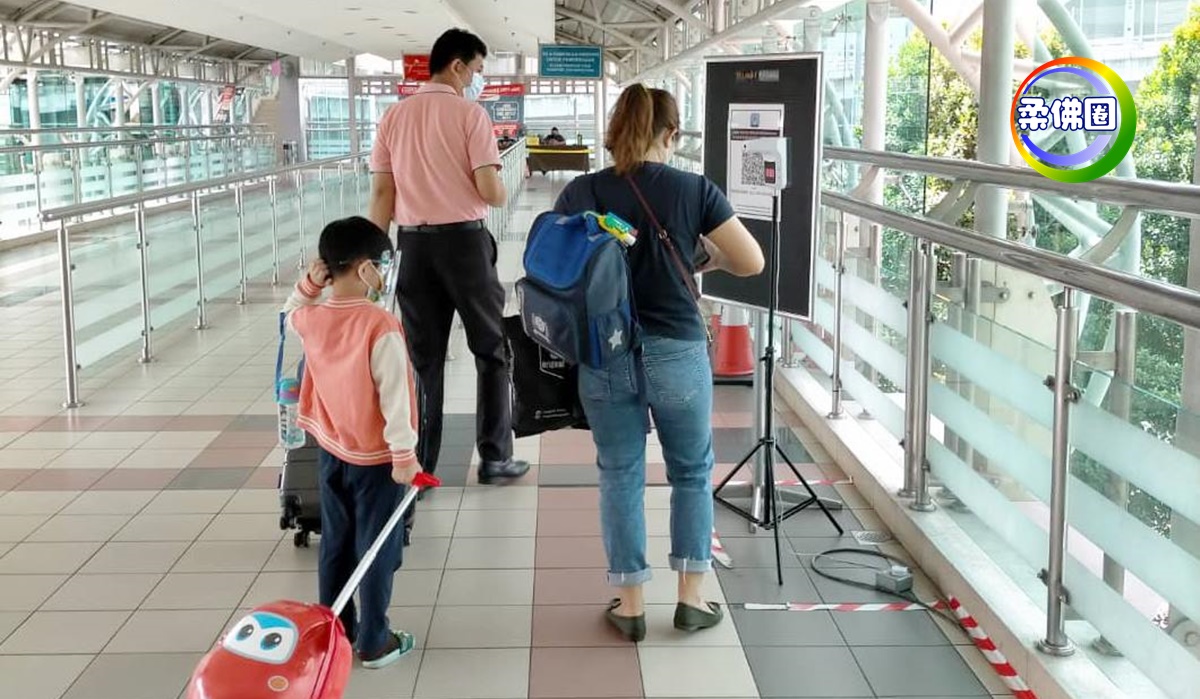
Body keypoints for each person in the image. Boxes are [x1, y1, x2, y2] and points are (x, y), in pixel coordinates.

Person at [552, 85, 764, 641]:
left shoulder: (581, 191)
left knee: (619, 472)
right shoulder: (694, 190)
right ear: (672, 133)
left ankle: (630, 604)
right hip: (677, 346)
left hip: (605, 348)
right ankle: (692, 599)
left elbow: (554, 266)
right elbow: (750, 260)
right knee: (691, 471)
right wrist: (702, 258)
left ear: (615, 129)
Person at [368, 28, 529, 490]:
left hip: (413, 249)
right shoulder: (470, 115)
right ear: (457, 66)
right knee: (491, 350)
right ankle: (495, 458)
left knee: (424, 361)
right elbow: (491, 193)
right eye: (476, 70)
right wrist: (499, 176)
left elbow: (381, 194)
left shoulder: (393, 117)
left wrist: (376, 258)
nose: (478, 79)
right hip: (464, 246)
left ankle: (420, 467)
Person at [282, 216, 421, 668]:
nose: (384, 274)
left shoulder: (313, 317)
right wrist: (405, 456)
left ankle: (336, 632)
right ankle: (375, 641)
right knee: (377, 547)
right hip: (377, 460)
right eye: (382, 265)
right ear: (365, 269)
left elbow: (289, 314)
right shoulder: (380, 325)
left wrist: (309, 285)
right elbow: (396, 398)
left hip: (332, 451)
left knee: (337, 544)